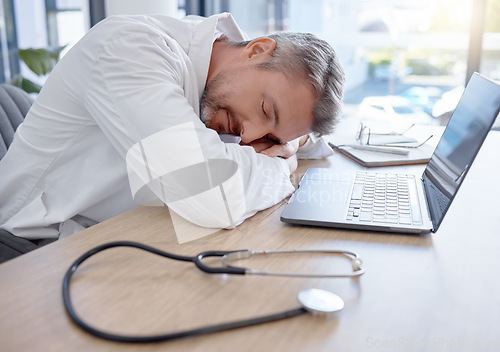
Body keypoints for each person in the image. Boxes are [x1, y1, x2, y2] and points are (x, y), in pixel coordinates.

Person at [0, 13, 344, 250]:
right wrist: (279, 165)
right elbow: (210, 195)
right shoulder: (130, 49)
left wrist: (290, 137)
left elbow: (311, 138)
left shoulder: (223, 64)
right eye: (266, 110)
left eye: (270, 137)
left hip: (121, 230)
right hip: (36, 248)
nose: (249, 135)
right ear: (256, 50)